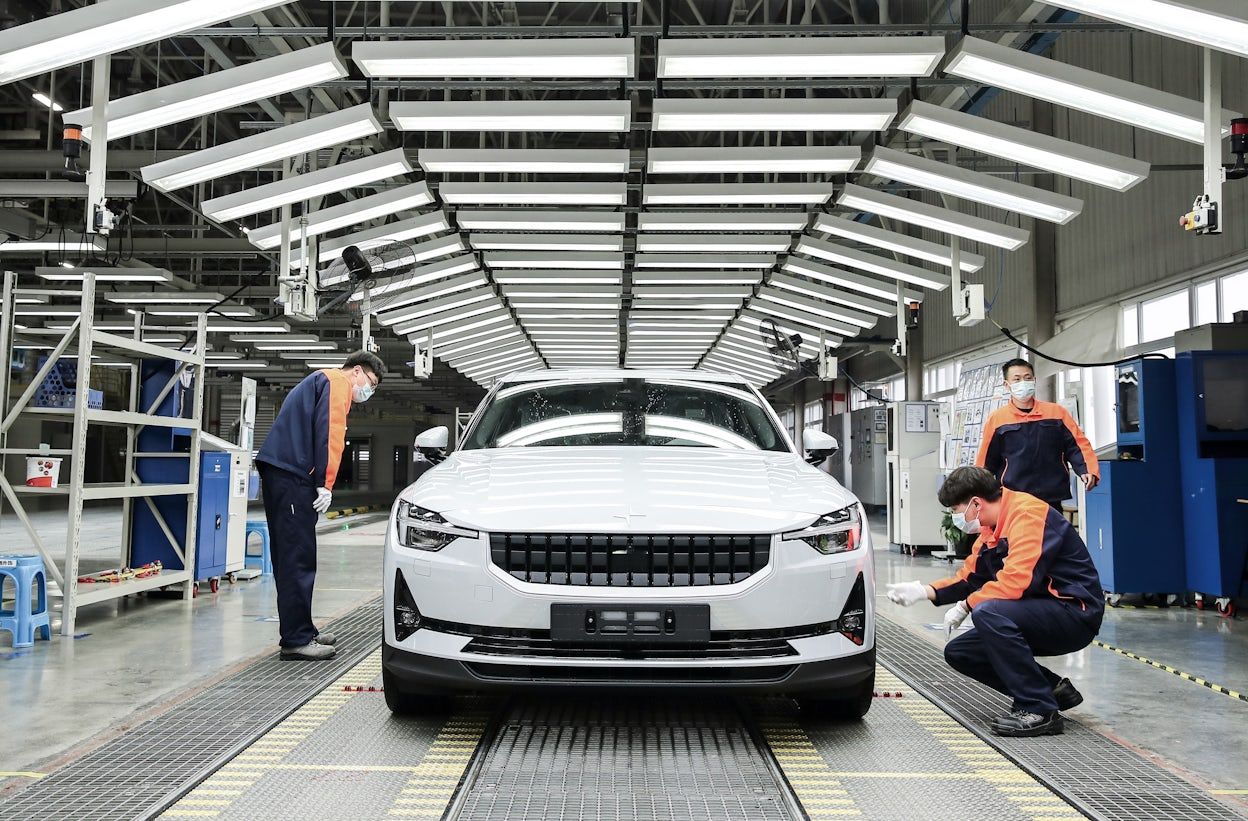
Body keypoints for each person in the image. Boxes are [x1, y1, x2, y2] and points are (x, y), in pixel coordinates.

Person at [886, 467, 1103, 737]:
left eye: (956, 509)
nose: (956, 518)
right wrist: (924, 591)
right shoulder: (991, 528)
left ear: (976, 503)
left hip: (1074, 612)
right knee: (961, 652)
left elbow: (1016, 582)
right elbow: (969, 579)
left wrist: (967, 605)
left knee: (988, 612)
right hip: (1039, 610)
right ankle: (1052, 691)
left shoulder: (1027, 515)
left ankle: (1039, 709)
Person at [255, 351, 386, 660]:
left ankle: (303, 629)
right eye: (371, 382)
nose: (369, 391)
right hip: (291, 476)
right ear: (357, 371)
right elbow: (329, 433)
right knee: (296, 557)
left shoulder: (321, 381)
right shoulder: (336, 381)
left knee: (296, 554)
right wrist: (325, 484)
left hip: (287, 473)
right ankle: (296, 639)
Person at [977, 358, 1098, 511]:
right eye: (1017, 379)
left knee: (1052, 535)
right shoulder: (997, 419)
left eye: (1027, 378)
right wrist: (980, 494)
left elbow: (1077, 444)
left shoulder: (1056, 413)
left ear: (1034, 380)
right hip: (1014, 500)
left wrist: (1087, 470)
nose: (1023, 382)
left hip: (1051, 497)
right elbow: (986, 462)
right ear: (1006, 385)